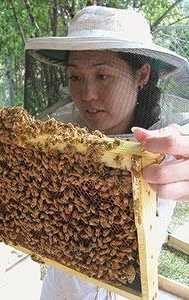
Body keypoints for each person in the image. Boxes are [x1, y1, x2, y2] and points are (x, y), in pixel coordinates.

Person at [25, 5, 189, 300]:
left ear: (141, 75)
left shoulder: (165, 144)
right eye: (76, 77)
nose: (87, 94)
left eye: (103, 76)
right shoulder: (54, 136)